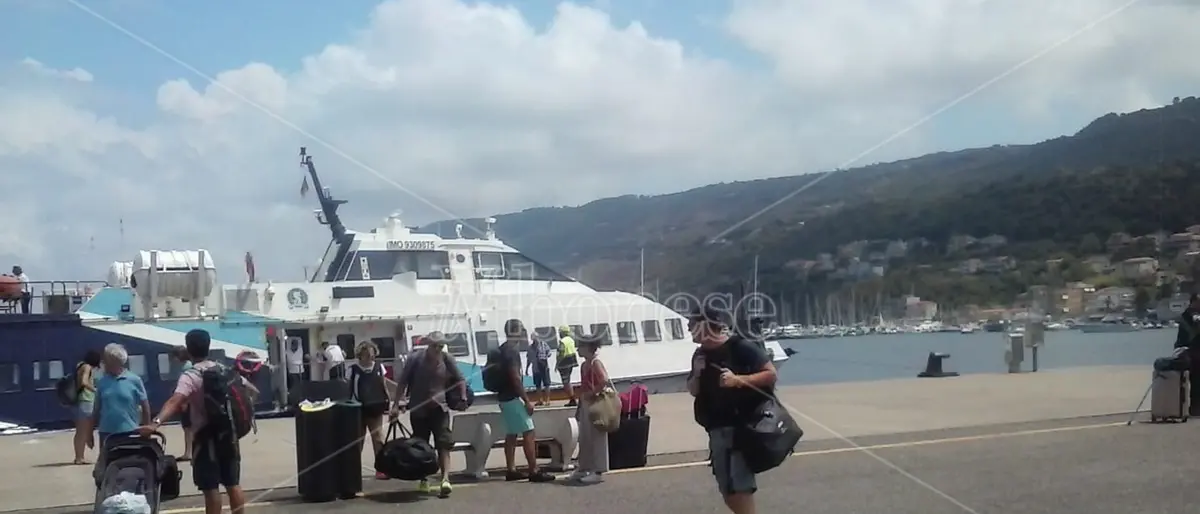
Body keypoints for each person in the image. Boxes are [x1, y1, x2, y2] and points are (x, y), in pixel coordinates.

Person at [137, 329, 259, 514]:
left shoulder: (191, 375)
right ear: (209, 346)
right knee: (233, 484)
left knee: (211, 489)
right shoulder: (224, 370)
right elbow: (253, 391)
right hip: (229, 436)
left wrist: (155, 423)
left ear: (189, 349)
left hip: (205, 438)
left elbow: (175, 401)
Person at [687, 305, 778, 514]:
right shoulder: (699, 355)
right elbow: (693, 390)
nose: (689, 329)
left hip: (741, 428)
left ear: (707, 326)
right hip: (715, 429)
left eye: (692, 324)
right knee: (726, 488)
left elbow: (770, 374)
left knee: (740, 486)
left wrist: (739, 380)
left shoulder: (740, 347)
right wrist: (698, 374)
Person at [393, 332, 467, 497]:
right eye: (435, 345)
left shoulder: (447, 359)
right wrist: (396, 405)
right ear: (429, 345)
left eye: (441, 346)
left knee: (443, 443)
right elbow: (403, 382)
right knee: (421, 446)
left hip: (440, 409)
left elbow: (460, 378)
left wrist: (463, 397)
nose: (438, 349)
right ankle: (424, 479)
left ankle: (445, 479)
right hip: (418, 409)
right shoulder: (415, 359)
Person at [490, 319, 555, 482]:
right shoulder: (512, 351)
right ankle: (534, 470)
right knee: (529, 431)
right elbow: (515, 377)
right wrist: (526, 400)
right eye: (521, 330)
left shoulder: (502, 349)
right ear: (515, 332)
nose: (524, 333)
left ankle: (511, 469)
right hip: (512, 397)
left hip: (503, 397)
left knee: (512, 433)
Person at [92, 343, 151, 482]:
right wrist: (90, 433)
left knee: (129, 467)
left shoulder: (134, 380)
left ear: (115, 362)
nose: (103, 363)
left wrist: (148, 427)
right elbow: (97, 407)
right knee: (107, 467)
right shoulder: (102, 381)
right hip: (107, 433)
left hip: (130, 430)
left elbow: (145, 404)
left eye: (105, 360)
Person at [566, 336, 609, 484]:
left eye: (580, 347)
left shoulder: (595, 363)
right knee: (584, 438)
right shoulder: (585, 364)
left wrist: (593, 393)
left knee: (596, 437)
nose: (577, 349)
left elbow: (604, 380)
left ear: (588, 348)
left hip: (595, 404)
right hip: (586, 403)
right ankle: (584, 467)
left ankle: (597, 470)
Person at [347, 341, 391, 480]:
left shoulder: (379, 367)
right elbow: (348, 389)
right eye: (367, 355)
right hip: (358, 408)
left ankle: (381, 469)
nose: (370, 357)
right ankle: (353, 470)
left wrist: (388, 401)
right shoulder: (352, 369)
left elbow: (383, 384)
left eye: (372, 355)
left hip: (375, 406)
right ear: (360, 355)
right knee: (358, 439)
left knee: (378, 437)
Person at [72, 349, 102, 465]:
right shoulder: (88, 367)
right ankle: (80, 458)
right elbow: (84, 382)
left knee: (80, 431)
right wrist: (95, 390)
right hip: (86, 400)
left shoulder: (80, 365)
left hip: (80, 401)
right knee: (84, 431)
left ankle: (79, 456)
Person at [1174, 293, 1200, 415]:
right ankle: (1195, 407)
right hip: (1185, 350)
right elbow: (1190, 338)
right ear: (1193, 302)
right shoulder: (1187, 317)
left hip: (1194, 350)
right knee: (1196, 369)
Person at [169, 346, 194, 461]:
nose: (173, 359)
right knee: (187, 428)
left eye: (174, 356)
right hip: (186, 401)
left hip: (187, 402)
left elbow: (188, 386)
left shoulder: (186, 367)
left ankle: (189, 452)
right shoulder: (186, 366)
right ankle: (189, 451)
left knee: (188, 428)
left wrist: (185, 402)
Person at [526, 332, 552, 406]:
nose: (535, 340)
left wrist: (544, 357)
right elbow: (529, 359)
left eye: (536, 338)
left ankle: (547, 400)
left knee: (546, 384)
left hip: (544, 367)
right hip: (536, 368)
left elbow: (549, 352)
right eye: (533, 338)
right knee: (538, 385)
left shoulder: (543, 344)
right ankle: (540, 400)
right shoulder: (530, 348)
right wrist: (527, 369)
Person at [556, 326, 579, 407]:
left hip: (564, 363)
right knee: (567, 381)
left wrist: (557, 364)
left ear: (562, 333)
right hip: (571, 362)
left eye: (559, 332)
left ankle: (572, 399)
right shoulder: (571, 340)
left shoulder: (562, 341)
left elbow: (561, 353)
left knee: (566, 382)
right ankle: (572, 399)